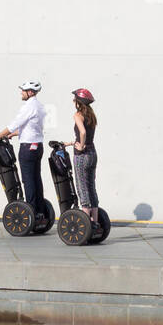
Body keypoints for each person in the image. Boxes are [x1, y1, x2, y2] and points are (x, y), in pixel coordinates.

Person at [0, 80, 47, 212]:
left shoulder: (28, 106)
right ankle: (40, 211)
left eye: (23, 90)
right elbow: (32, 127)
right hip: (37, 146)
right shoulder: (40, 106)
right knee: (36, 178)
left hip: (27, 148)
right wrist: (15, 134)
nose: (21, 92)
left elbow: (14, 124)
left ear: (30, 92)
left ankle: (32, 211)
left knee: (28, 180)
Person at [65, 87, 100, 225]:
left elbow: (83, 132)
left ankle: (86, 224)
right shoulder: (91, 115)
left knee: (81, 187)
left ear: (79, 102)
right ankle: (95, 222)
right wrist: (71, 142)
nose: (73, 101)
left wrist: (81, 145)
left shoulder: (77, 115)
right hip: (92, 153)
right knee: (91, 186)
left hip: (82, 155)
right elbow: (87, 134)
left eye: (74, 99)